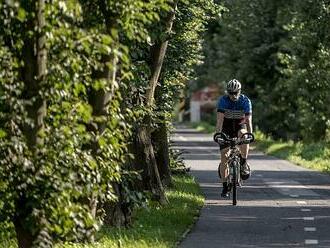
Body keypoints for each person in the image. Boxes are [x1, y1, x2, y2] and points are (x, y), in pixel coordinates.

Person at [215, 79, 253, 197]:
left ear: (239, 91)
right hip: (226, 128)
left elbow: (248, 120)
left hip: (239, 126)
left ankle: (243, 162)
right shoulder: (223, 101)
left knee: (244, 134)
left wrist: (250, 134)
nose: (233, 95)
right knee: (224, 158)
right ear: (227, 92)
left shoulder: (245, 101)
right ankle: (225, 187)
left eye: (236, 92)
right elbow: (220, 120)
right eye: (231, 93)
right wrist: (218, 134)